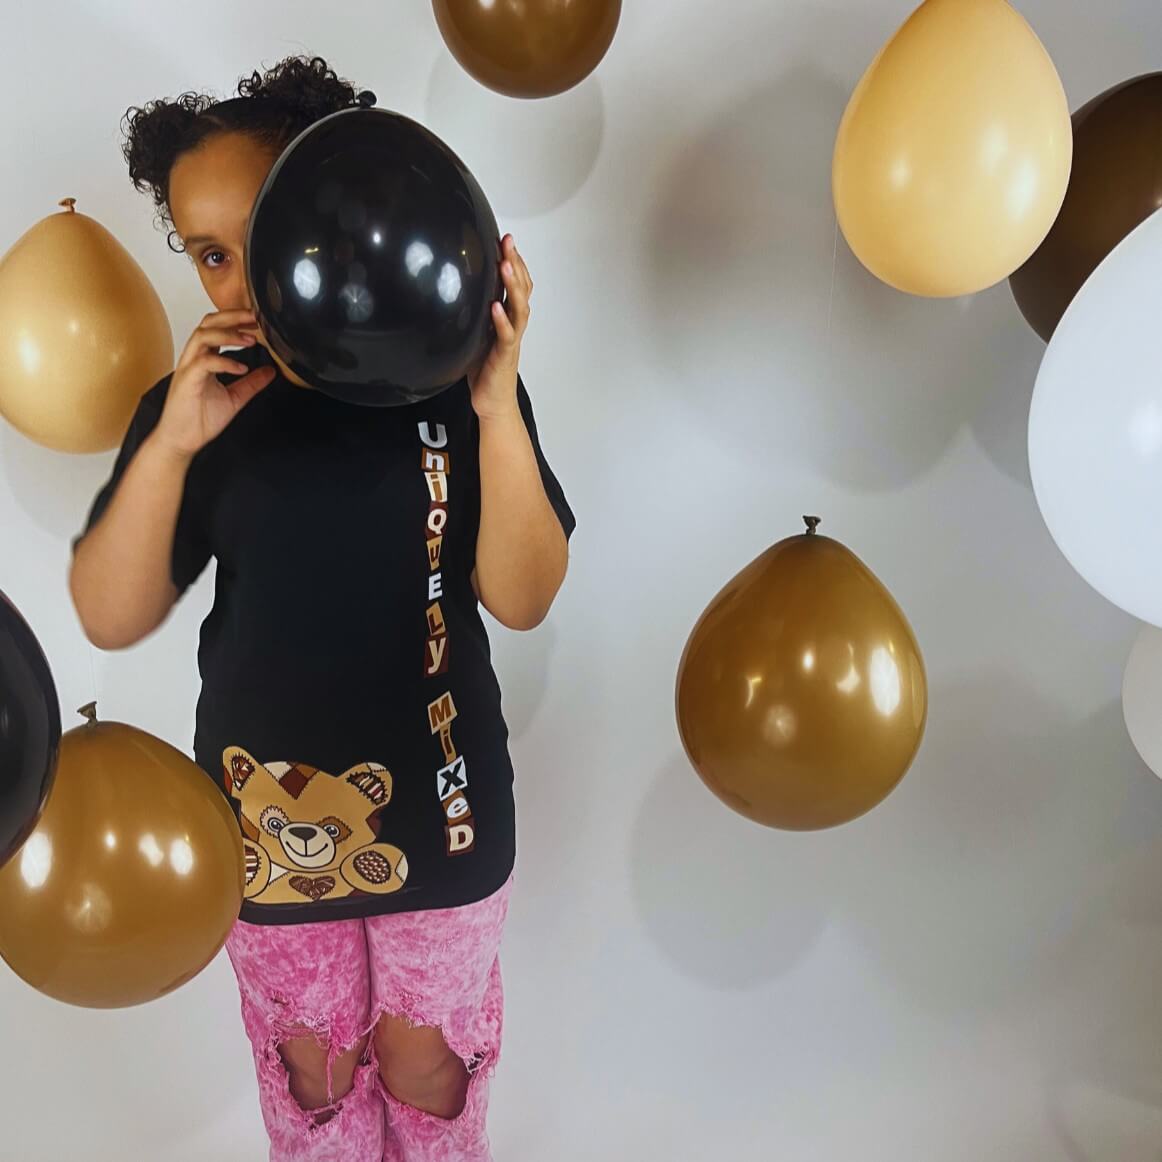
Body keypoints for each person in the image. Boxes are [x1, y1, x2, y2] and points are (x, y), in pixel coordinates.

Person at [69, 55, 574, 1162]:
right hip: (260, 830)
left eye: (262, 234)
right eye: (207, 254)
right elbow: (107, 613)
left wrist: (495, 403)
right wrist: (172, 443)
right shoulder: (191, 407)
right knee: (313, 1071)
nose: (240, 280)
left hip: (446, 813)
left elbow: (526, 596)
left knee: (424, 1068)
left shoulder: (448, 376)